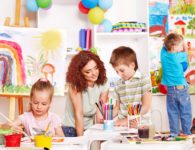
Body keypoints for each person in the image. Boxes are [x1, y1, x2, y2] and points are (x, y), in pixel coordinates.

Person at [62, 51, 109, 137]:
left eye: (96, 68)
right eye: (88, 72)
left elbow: (99, 113)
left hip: (89, 129)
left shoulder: (104, 83)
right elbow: (79, 114)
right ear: (79, 74)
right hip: (71, 128)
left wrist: (101, 139)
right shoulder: (75, 85)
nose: (94, 73)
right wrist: (82, 140)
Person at [109, 46, 152, 126]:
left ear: (132, 65)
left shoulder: (144, 79)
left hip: (141, 125)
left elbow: (146, 106)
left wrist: (127, 120)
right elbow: (117, 108)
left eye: (122, 70)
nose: (119, 74)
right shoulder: (118, 84)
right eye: (116, 71)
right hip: (123, 126)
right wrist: (107, 117)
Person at [160, 32, 192, 135]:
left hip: (170, 90)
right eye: (180, 45)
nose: (182, 47)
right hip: (181, 88)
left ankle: (174, 135)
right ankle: (187, 135)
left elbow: (164, 47)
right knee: (185, 113)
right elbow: (186, 56)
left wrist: (169, 39)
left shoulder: (163, 55)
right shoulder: (179, 56)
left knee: (172, 113)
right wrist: (186, 47)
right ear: (174, 47)